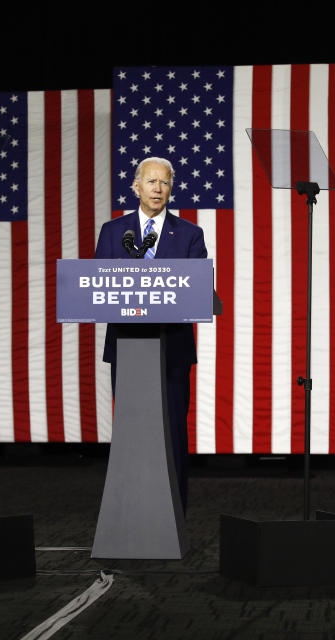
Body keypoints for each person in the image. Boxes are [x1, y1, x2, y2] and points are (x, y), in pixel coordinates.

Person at [94, 157, 207, 513]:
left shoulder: (190, 234)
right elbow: (98, 286)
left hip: (171, 349)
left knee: (171, 430)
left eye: (164, 183)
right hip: (128, 348)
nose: (158, 189)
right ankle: (131, 510)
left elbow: (197, 290)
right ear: (136, 187)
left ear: (170, 189)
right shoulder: (113, 232)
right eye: (151, 181)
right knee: (132, 432)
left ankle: (172, 511)